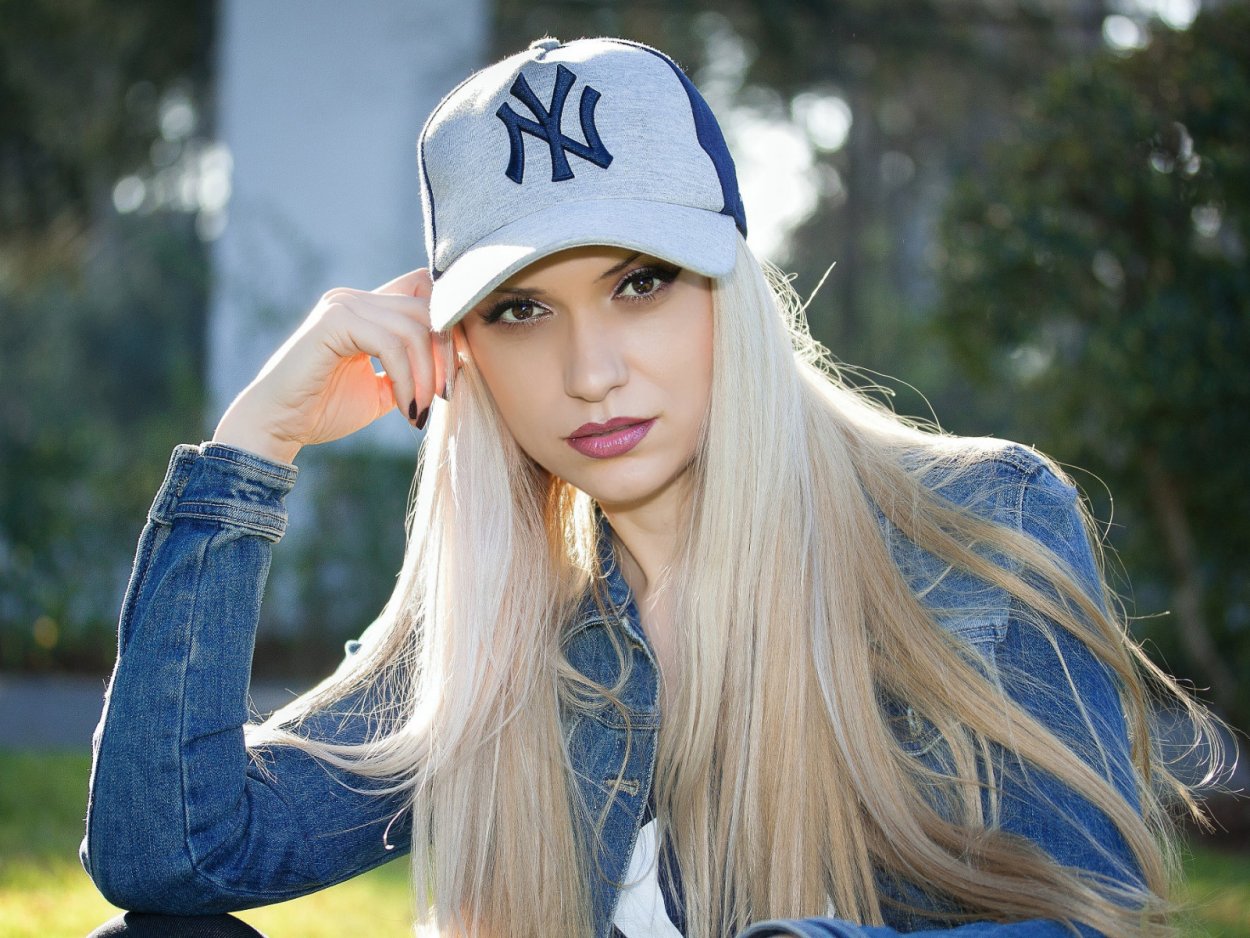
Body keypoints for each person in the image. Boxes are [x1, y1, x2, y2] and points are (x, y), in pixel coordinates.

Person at [83, 36, 1216, 938]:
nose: (590, 371)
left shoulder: (974, 527)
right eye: (522, 309)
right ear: (461, 350)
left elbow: (1087, 918)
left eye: (641, 281)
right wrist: (254, 443)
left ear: (730, 284)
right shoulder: (494, 630)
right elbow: (168, 854)